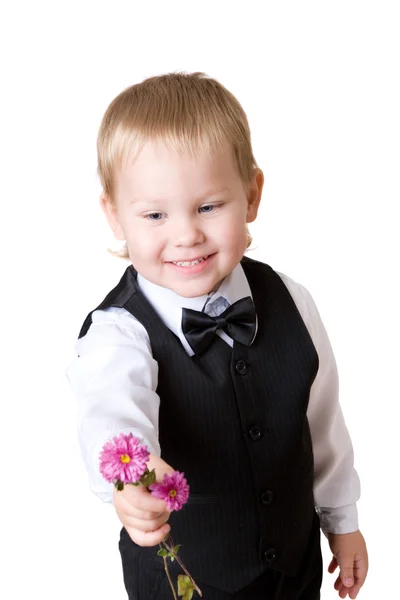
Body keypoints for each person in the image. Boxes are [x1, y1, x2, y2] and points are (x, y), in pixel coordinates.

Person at [66, 71, 368, 600]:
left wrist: (341, 520)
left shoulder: (291, 301)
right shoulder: (118, 334)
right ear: (115, 215)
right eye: (155, 214)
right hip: (185, 582)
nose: (186, 234)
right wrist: (130, 480)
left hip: (292, 572)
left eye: (209, 206)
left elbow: (321, 425)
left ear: (251, 196)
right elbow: (110, 413)